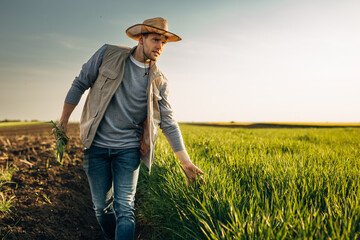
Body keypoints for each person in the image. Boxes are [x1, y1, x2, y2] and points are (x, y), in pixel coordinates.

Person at [54, 17, 205, 240]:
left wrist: (186, 162)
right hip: (96, 146)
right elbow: (80, 83)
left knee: (125, 209)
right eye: (156, 40)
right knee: (101, 209)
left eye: (163, 42)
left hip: (128, 151)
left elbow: (169, 122)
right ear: (141, 39)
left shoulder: (159, 81)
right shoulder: (108, 54)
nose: (160, 47)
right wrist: (63, 121)